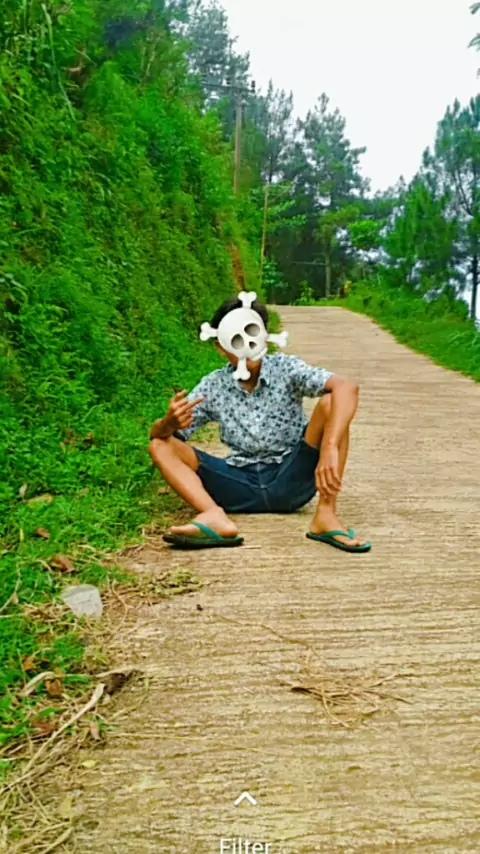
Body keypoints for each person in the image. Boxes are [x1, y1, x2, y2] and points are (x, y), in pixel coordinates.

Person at [148, 296, 371, 553]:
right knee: (159, 444)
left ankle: (326, 515)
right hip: (237, 482)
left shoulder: (286, 368)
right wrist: (167, 423)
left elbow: (347, 387)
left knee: (333, 403)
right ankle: (213, 515)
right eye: (235, 338)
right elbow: (159, 436)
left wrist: (329, 446)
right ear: (221, 346)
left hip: (291, 477)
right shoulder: (213, 385)